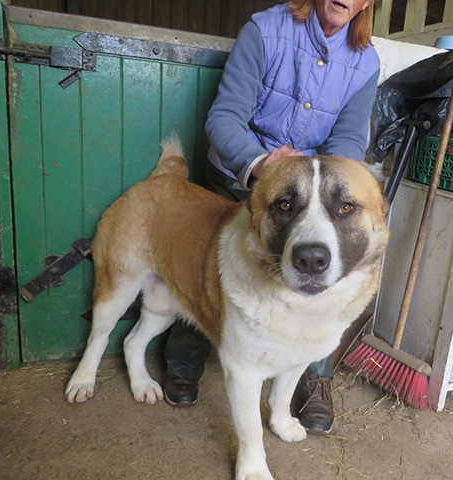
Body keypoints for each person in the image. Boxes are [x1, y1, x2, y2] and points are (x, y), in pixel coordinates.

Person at [163, 0, 380, 435]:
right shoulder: (264, 30)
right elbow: (225, 118)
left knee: (322, 283)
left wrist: (327, 184)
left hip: (314, 189)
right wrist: (261, 164)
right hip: (246, 175)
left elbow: (350, 140)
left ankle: (315, 379)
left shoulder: (366, 61)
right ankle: (185, 355)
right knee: (209, 273)